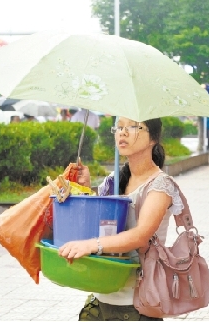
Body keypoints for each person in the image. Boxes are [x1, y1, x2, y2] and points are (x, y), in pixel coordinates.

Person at [59, 117, 184, 321]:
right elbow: (100, 222)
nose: (122, 133)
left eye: (133, 127)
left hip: (136, 307)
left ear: (152, 138)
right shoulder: (113, 180)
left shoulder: (161, 185)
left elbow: (140, 236)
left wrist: (91, 245)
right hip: (100, 300)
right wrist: (85, 188)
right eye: (119, 127)